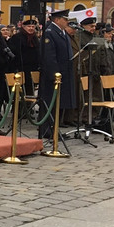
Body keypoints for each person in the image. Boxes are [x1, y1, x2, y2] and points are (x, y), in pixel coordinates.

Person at [40, 9, 75, 139]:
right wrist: (55, 74)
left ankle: (54, 129)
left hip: (64, 73)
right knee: (50, 103)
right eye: (65, 19)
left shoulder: (61, 32)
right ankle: (46, 130)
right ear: (57, 19)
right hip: (53, 76)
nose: (67, 21)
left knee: (58, 104)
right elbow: (49, 57)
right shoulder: (50, 33)